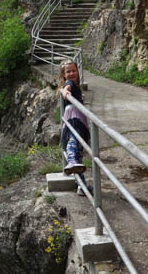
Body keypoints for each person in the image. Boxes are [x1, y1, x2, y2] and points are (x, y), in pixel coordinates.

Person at [58, 60, 92, 196]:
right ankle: (70, 161)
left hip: (74, 115)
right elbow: (67, 86)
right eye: (68, 71)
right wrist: (66, 92)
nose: (71, 73)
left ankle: (81, 186)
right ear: (64, 75)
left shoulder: (75, 84)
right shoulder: (69, 83)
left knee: (79, 154)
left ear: (78, 71)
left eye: (73, 70)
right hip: (74, 116)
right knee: (74, 140)